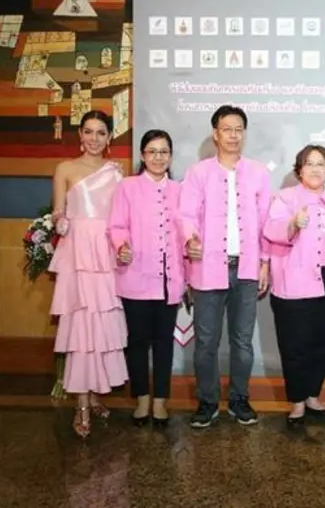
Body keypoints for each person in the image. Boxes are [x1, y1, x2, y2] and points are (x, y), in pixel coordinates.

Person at [179, 105, 271, 429]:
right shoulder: (198, 173)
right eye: (227, 129)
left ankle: (239, 399)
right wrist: (190, 238)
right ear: (215, 134)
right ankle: (207, 402)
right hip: (208, 269)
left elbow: (266, 221)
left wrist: (265, 262)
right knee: (206, 342)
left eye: (238, 129)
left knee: (242, 342)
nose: (233, 135)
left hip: (246, 270)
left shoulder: (258, 173)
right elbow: (186, 215)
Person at [264, 145, 325, 427]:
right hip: (294, 281)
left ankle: (313, 396)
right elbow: (270, 231)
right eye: (309, 163)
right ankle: (297, 402)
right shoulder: (284, 198)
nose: (316, 169)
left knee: (324, 343)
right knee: (295, 345)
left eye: (321, 164)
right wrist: (293, 224)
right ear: (299, 170)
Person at [49, 110, 128, 438]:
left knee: (102, 324)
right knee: (81, 326)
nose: (94, 138)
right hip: (78, 254)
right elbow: (58, 211)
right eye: (89, 132)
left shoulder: (117, 172)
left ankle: (95, 392)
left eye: (101, 133)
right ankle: (81, 404)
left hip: (106, 254)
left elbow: (121, 217)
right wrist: (60, 222)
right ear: (80, 134)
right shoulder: (65, 168)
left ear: (109, 138)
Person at [108, 130, 184, 428]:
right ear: (142, 155)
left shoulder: (179, 190)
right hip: (136, 276)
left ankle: (161, 400)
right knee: (138, 341)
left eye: (163, 152)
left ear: (170, 156)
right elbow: (116, 226)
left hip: (169, 280)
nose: (158, 157)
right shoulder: (127, 187)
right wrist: (122, 246)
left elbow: (187, 230)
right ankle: (141, 398)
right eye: (152, 151)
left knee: (164, 342)